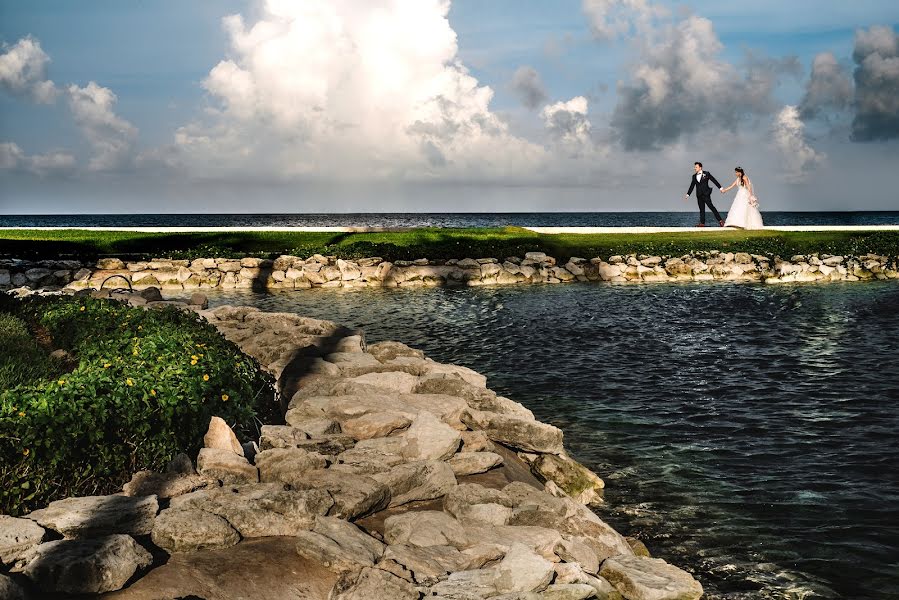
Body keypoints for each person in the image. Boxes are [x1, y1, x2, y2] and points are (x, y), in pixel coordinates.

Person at [684, 162, 725, 227]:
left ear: (700, 167)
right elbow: (692, 186)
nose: (695, 168)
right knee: (701, 209)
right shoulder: (694, 176)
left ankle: (720, 221)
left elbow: (714, 180)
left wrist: (721, 188)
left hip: (706, 194)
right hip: (699, 195)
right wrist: (688, 194)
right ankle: (702, 223)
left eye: (696, 167)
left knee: (712, 207)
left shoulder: (706, 173)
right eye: (695, 167)